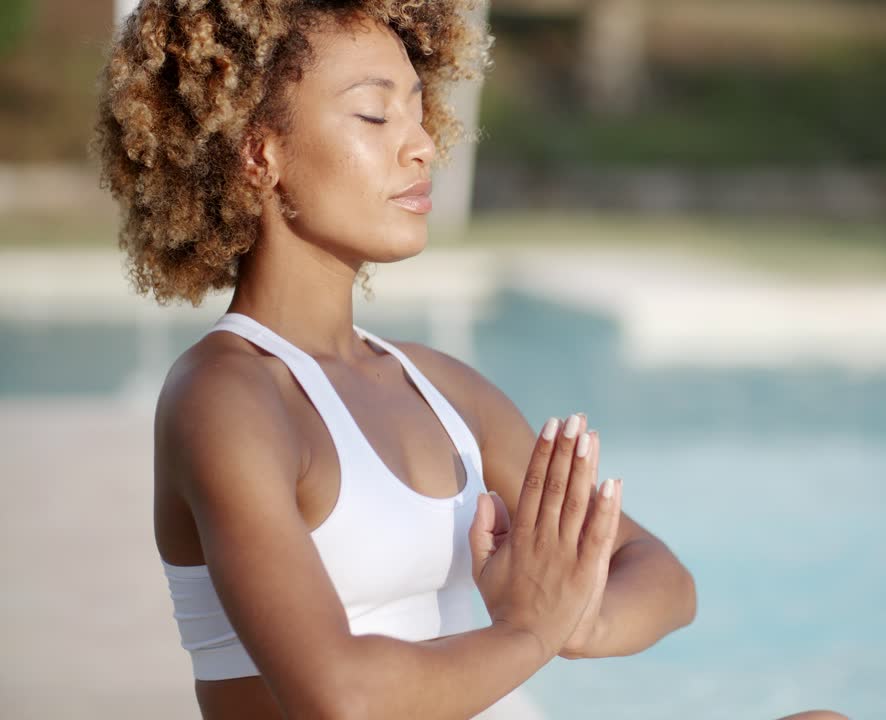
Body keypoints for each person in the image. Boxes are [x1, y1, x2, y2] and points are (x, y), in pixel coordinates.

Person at [93, 2, 847, 718]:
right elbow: (341, 700)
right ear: (262, 153)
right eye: (375, 113)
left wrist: (577, 619)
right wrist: (530, 633)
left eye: (420, 111)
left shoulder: (441, 389)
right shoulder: (226, 398)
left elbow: (662, 576)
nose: (421, 144)